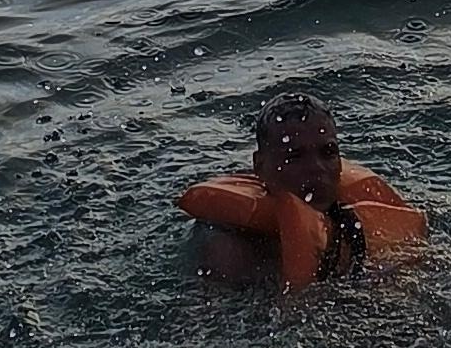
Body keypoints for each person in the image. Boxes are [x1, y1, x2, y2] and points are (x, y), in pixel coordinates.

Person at [179, 88, 429, 285]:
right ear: (260, 166)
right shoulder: (225, 245)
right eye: (295, 156)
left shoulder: (354, 220)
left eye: (328, 152)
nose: (317, 168)